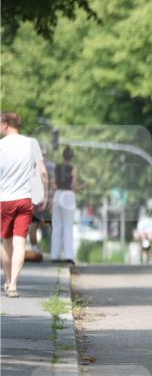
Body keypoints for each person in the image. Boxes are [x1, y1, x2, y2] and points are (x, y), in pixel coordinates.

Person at [0, 112, 48, 297]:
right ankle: (13, 284)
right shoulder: (31, 143)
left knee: (6, 242)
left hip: (4, 200)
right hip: (25, 200)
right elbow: (43, 172)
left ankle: (7, 279)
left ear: (5, 125)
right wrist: (44, 195)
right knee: (20, 241)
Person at [51, 146, 78, 264]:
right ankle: (68, 256)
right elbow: (73, 186)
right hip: (68, 196)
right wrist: (82, 187)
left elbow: (53, 184)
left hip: (57, 195)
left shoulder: (56, 167)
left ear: (63, 156)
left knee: (56, 226)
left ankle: (55, 256)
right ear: (72, 157)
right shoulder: (73, 168)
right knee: (68, 226)